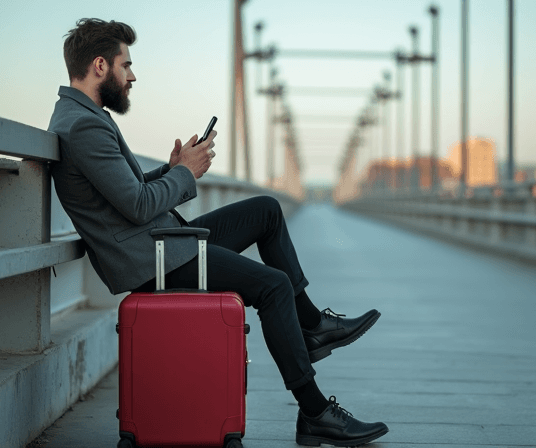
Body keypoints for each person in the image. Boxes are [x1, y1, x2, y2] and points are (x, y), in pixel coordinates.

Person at [48, 18, 388, 447]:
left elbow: (123, 192)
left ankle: (312, 323)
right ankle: (315, 411)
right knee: (272, 286)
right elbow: (136, 206)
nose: (132, 76)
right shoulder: (84, 125)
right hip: (152, 261)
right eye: (126, 65)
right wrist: (185, 175)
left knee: (266, 210)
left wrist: (171, 171)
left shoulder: (82, 116)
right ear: (100, 65)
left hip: (164, 244)